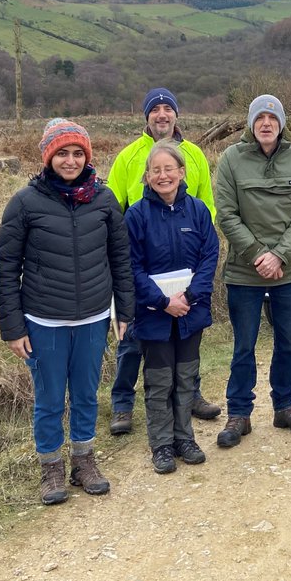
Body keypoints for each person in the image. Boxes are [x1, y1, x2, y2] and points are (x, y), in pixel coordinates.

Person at [0, 119, 135, 505]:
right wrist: (12, 327)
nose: (70, 161)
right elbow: (6, 267)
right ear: (48, 157)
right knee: (50, 400)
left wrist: (125, 310)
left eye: (77, 153)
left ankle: (84, 460)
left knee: (87, 395)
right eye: (62, 153)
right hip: (44, 320)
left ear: (87, 157)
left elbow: (120, 260)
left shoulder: (104, 200)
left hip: (93, 317)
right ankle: (51, 467)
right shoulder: (25, 203)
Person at [106, 87, 220, 434]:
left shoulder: (195, 155)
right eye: (154, 110)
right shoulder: (128, 157)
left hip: (186, 270)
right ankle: (123, 404)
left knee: (186, 340)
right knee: (131, 341)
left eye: (167, 109)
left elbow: (206, 206)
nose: (161, 115)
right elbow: (112, 209)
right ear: (146, 117)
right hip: (143, 270)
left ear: (175, 115)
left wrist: (195, 274)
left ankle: (191, 397)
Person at [213, 94, 291, 448]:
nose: (266, 124)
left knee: (288, 343)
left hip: (290, 269)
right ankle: (239, 413)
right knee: (244, 345)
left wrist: (280, 256)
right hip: (245, 270)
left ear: (281, 123)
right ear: (251, 123)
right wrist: (259, 254)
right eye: (260, 118)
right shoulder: (231, 158)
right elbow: (226, 214)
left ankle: (286, 405)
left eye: (272, 118)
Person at [125, 143, 219, 474]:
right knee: (159, 381)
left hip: (191, 312)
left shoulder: (198, 211)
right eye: (156, 170)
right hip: (154, 315)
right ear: (147, 176)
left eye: (169, 169)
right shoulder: (136, 216)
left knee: (185, 378)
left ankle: (184, 438)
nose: (163, 176)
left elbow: (210, 256)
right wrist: (163, 302)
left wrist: (190, 297)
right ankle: (162, 444)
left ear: (181, 172)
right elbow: (131, 266)